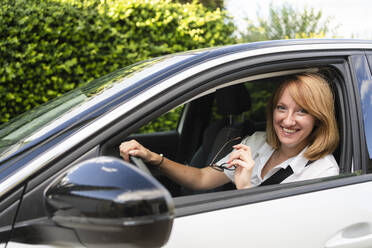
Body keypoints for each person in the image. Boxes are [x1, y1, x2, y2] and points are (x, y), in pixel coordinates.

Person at [119, 73, 339, 190]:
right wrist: (154, 158)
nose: (287, 120)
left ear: (319, 118)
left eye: (302, 111)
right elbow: (202, 178)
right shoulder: (256, 142)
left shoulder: (323, 172)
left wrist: (244, 188)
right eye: (281, 108)